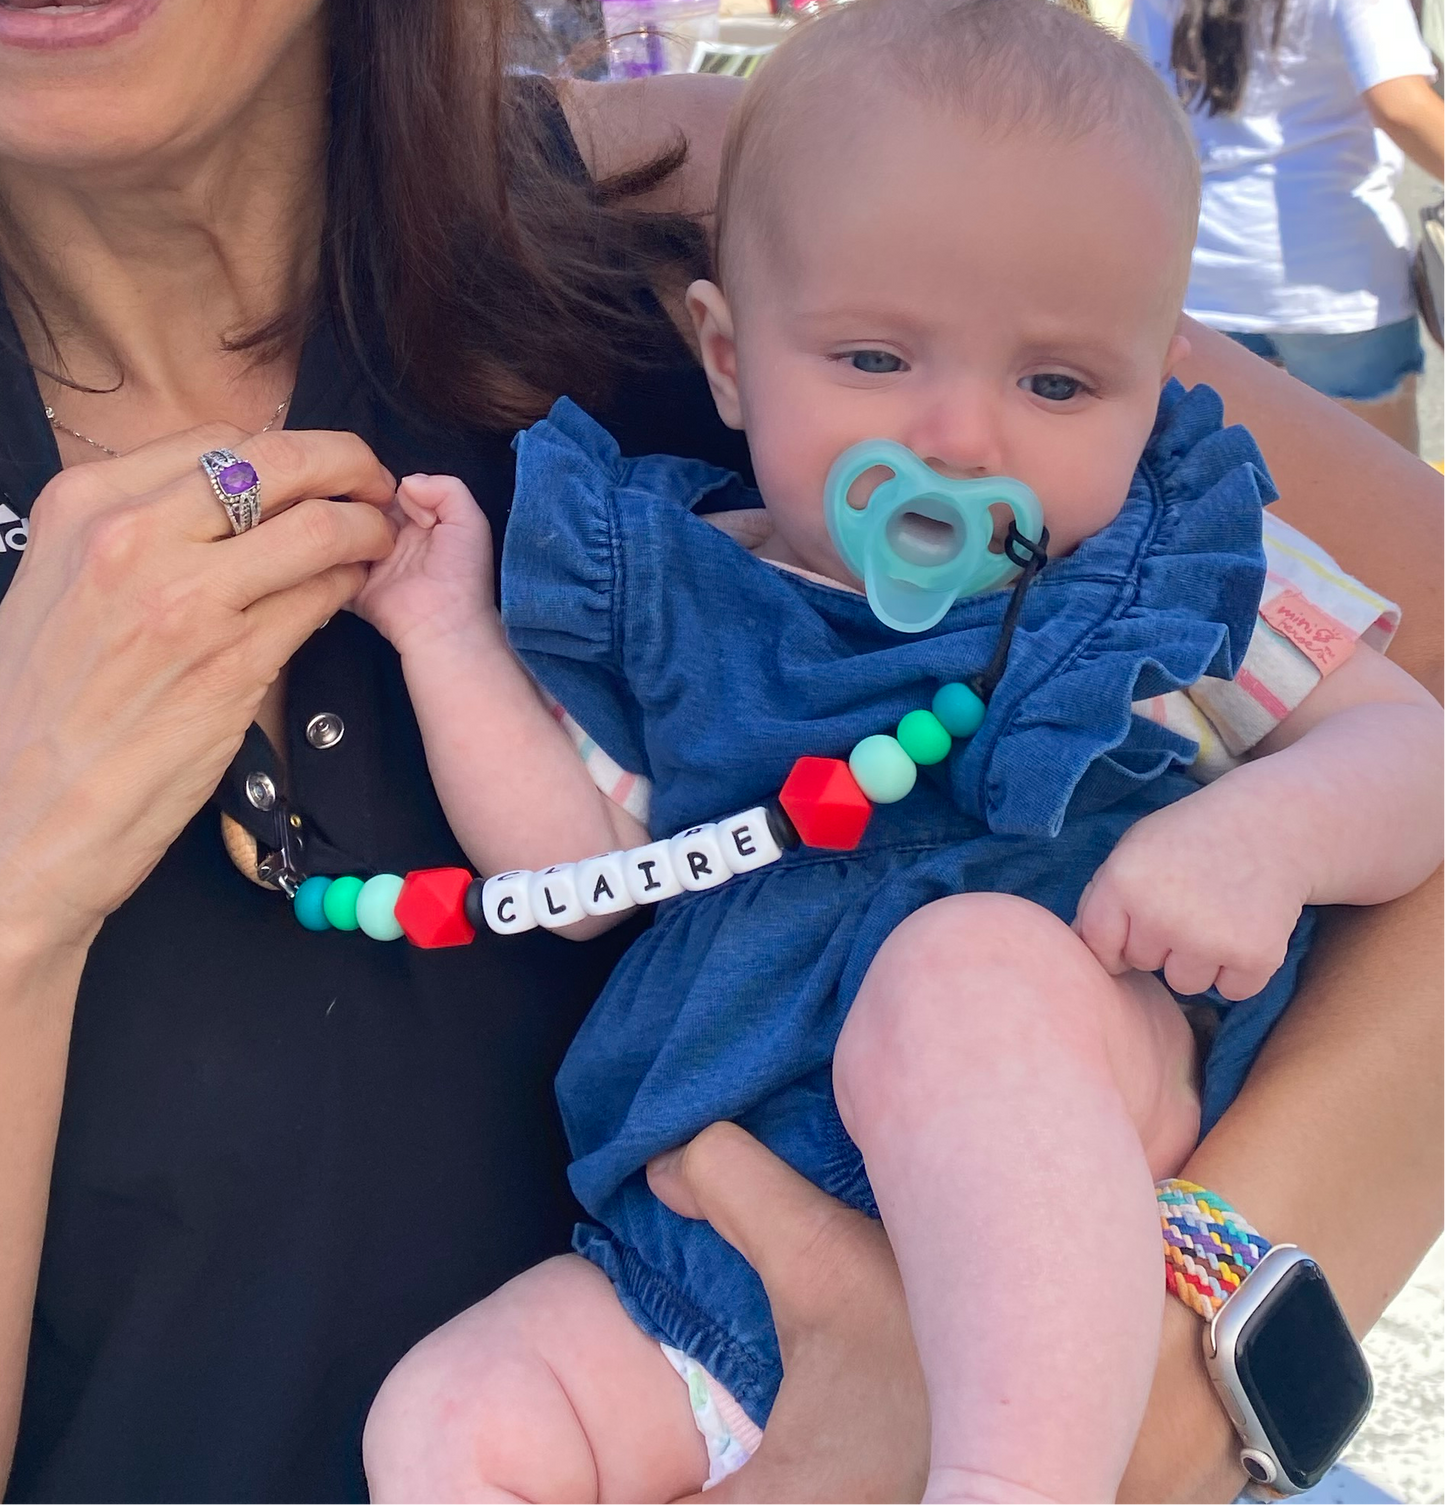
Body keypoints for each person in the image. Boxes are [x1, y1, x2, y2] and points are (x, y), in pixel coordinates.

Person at [0, 0, 1442, 1502]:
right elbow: (576, 875)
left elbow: (1414, 748)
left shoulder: (1154, 547)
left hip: (1064, 1110)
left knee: (963, 980)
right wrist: (447, 641)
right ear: (732, 360)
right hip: (686, 1254)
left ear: (1159, 376)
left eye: (1060, 386)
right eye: (876, 359)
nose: (959, 437)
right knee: (441, 1423)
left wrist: (1252, 850)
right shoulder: (675, 582)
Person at [1128, 0, 1445, 453]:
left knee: (1241, 496)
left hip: (1205, 278)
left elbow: (1144, 112)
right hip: (1336, 281)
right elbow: (1401, 105)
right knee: (1380, 491)